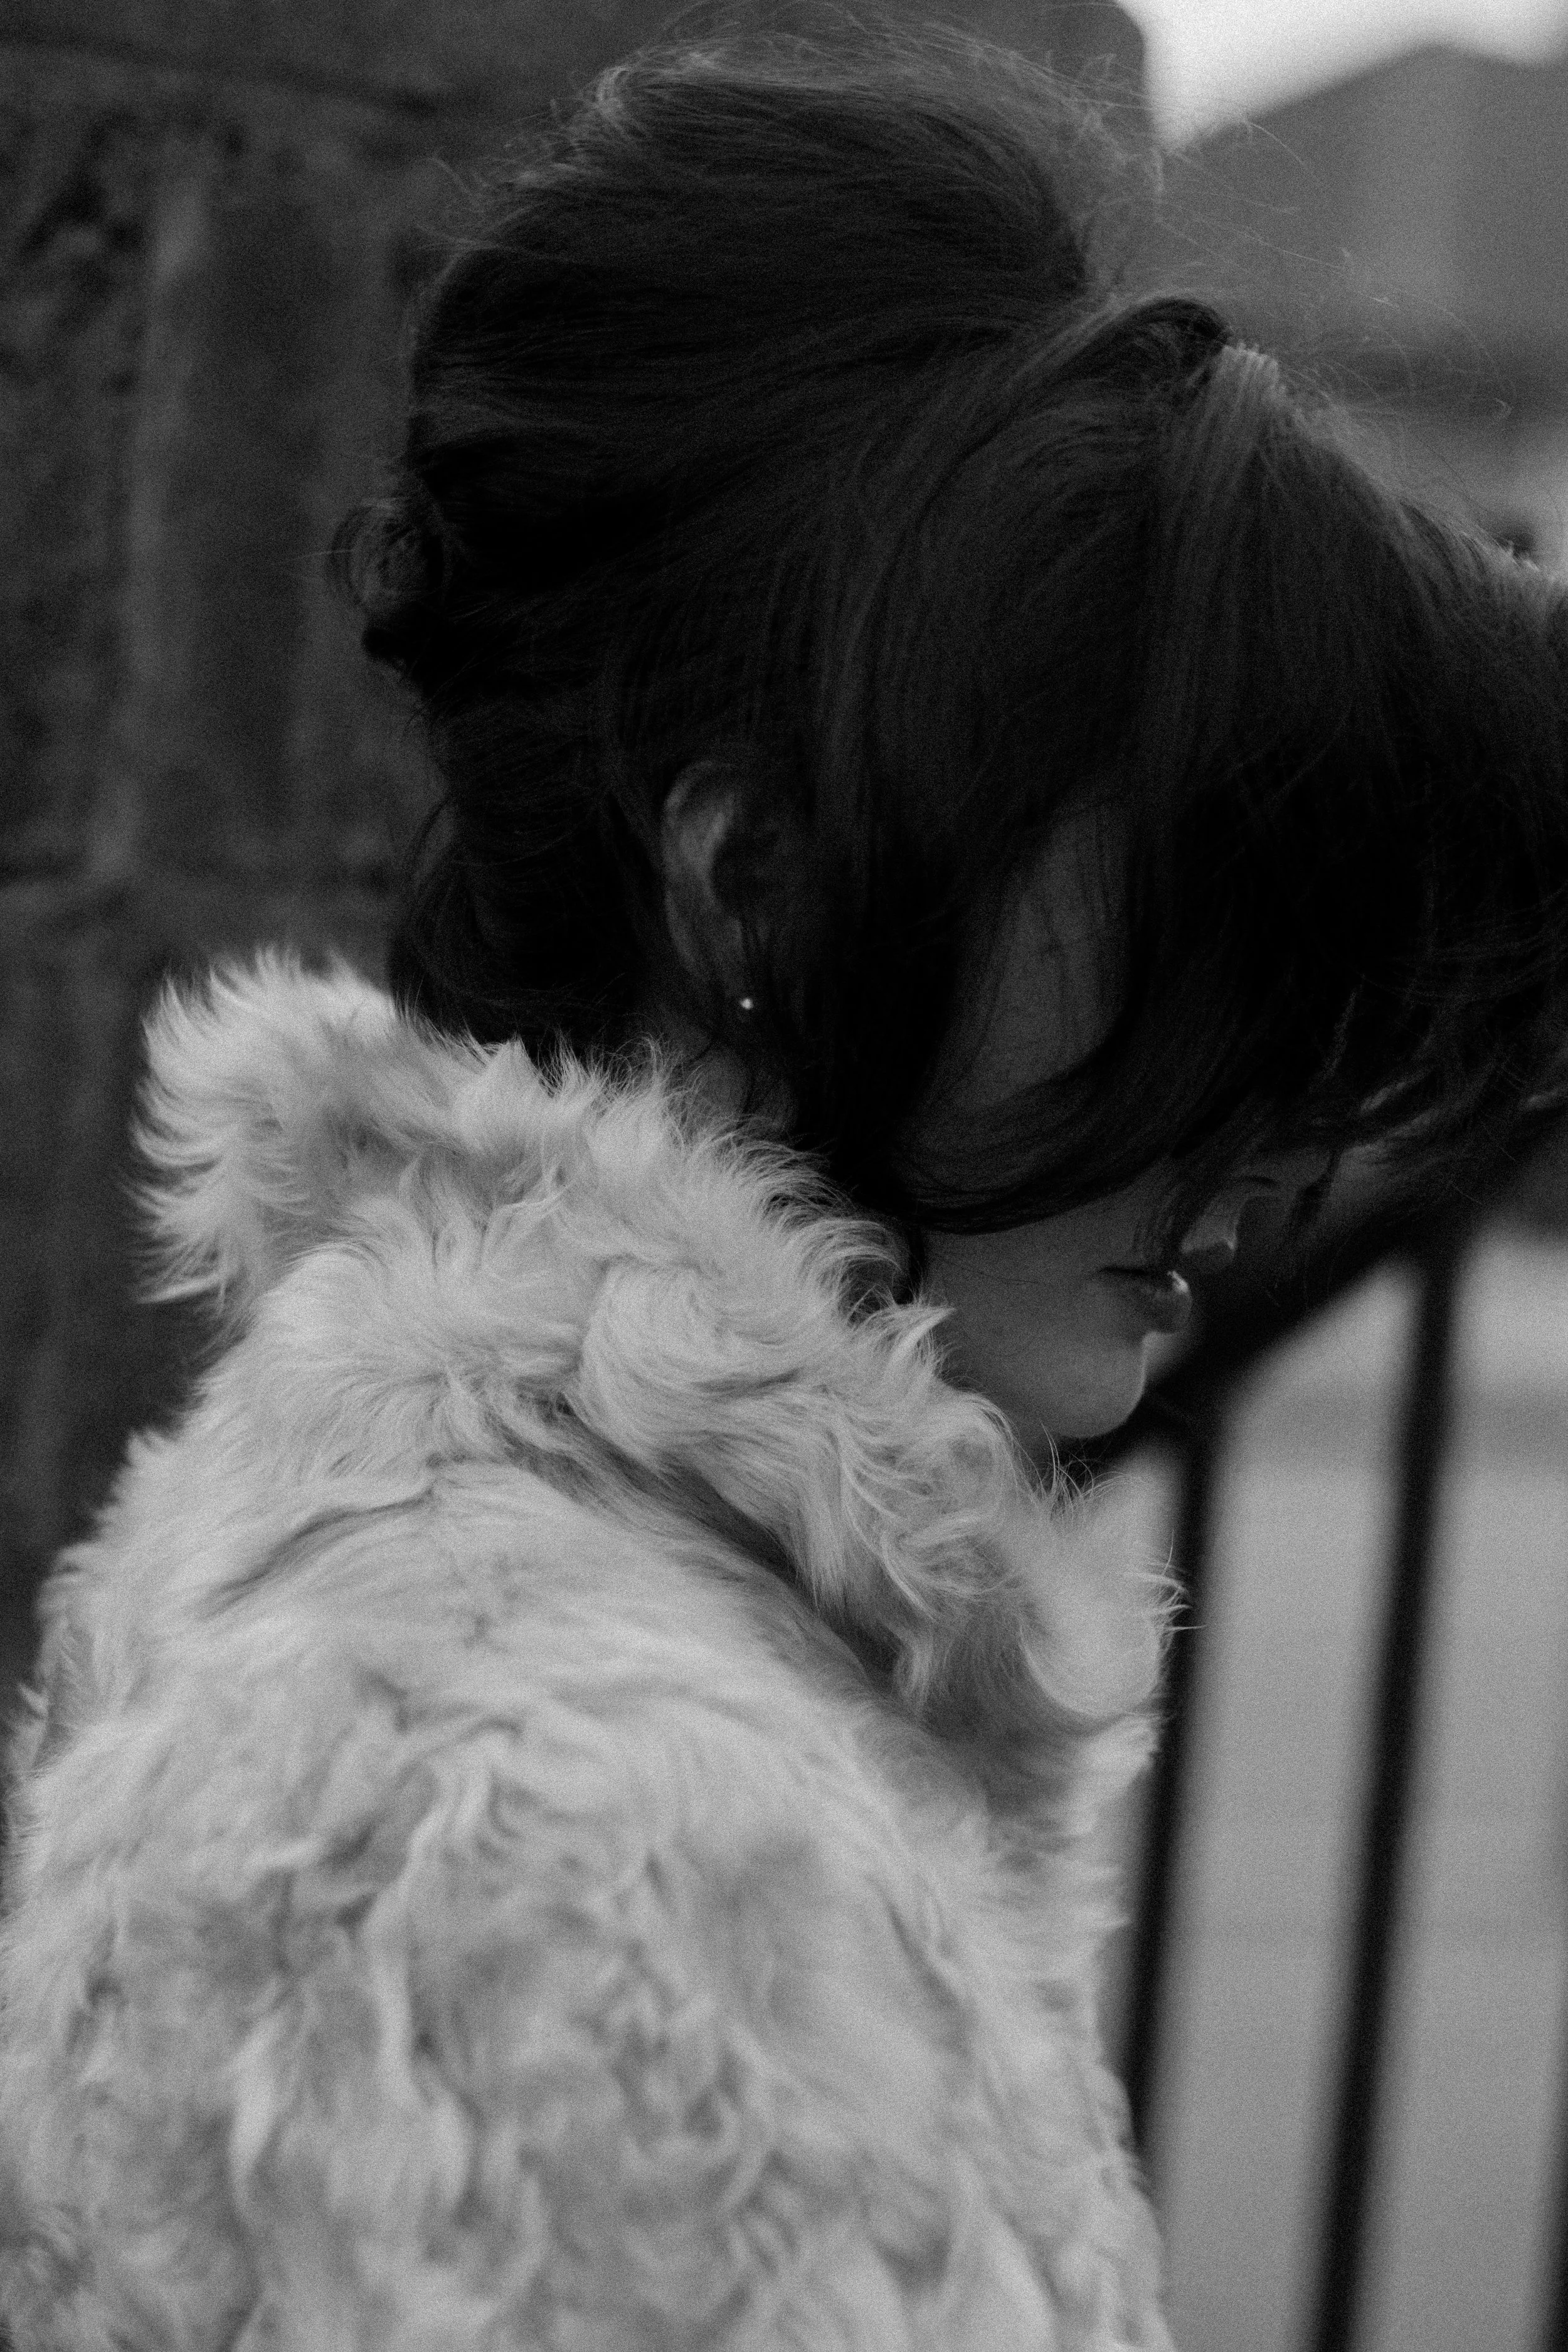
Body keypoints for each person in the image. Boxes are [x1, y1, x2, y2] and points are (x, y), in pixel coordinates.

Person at [2, 15, 1565, 2350]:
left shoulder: (480, 1634)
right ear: (767, 891)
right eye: (1188, 916)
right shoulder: (594, 1827)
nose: (1280, 1129)